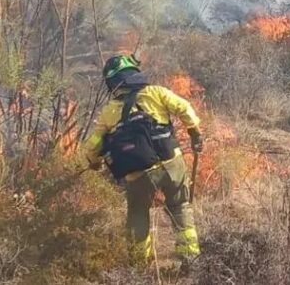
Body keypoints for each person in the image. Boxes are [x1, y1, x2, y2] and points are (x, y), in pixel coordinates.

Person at [83, 54, 203, 265]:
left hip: (137, 173)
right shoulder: (156, 92)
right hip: (170, 163)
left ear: (112, 83)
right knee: (180, 206)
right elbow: (184, 108)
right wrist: (194, 132)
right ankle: (189, 257)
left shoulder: (110, 111)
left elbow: (93, 144)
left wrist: (93, 162)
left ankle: (139, 264)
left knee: (137, 213)